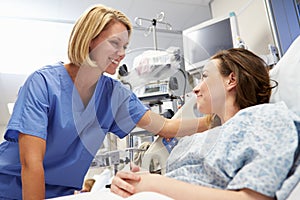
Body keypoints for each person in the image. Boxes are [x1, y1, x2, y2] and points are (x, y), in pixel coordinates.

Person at [0, 4, 208, 200]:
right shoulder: (43, 83)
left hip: (58, 194)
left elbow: (166, 127)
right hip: (9, 187)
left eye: (125, 46)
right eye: (115, 43)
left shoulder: (114, 94)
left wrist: (213, 120)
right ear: (90, 39)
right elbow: (31, 162)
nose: (122, 54)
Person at [110, 48, 299, 200]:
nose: (196, 88)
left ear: (231, 80)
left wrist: (153, 184)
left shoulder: (264, 118)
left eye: (205, 76)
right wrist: (134, 180)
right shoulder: (205, 137)